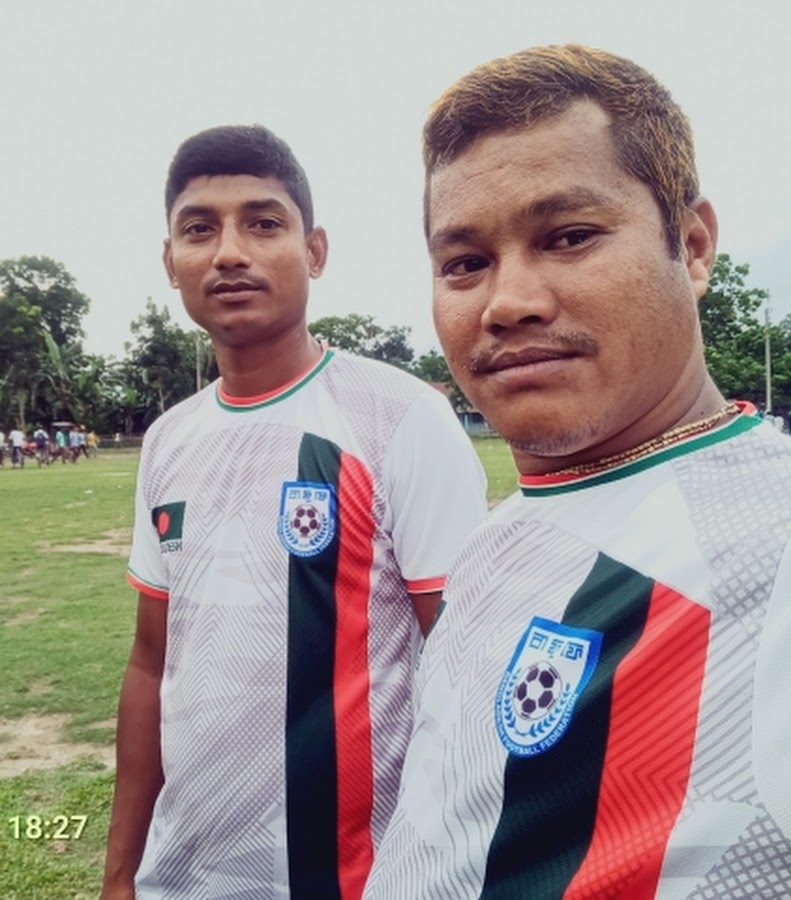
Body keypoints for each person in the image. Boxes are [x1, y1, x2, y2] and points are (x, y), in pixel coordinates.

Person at [362, 45, 791, 900]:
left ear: (693, 245)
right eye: (465, 262)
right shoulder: (500, 535)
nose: (508, 302)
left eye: (570, 237)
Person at [101, 124, 487, 900]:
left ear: (314, 251)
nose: (229, 252)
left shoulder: (399, 418)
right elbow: (150, 663)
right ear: (170, 262)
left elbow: (468, 671)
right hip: (183, 875)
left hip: (350, 880)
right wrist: (120, 874)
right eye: (199, 229)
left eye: (262, 223)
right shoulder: (168, 439)